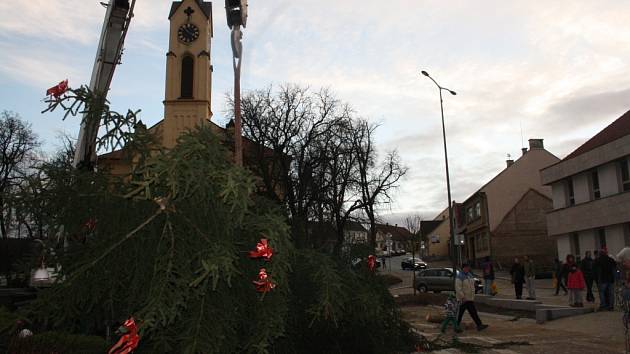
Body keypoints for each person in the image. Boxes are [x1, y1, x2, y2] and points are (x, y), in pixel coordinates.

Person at [455, 263, 488, 331]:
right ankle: (456, 326)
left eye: (468, 268)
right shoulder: (459, 276)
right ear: (463, 268)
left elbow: (472, 285)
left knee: (473, 312)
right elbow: (458, 288)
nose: (467, 269)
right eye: (466, 268)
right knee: (460, 314)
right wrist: (462, 297)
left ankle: (479, 325)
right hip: (463, 299)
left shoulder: (469, 275)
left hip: (469, 298)